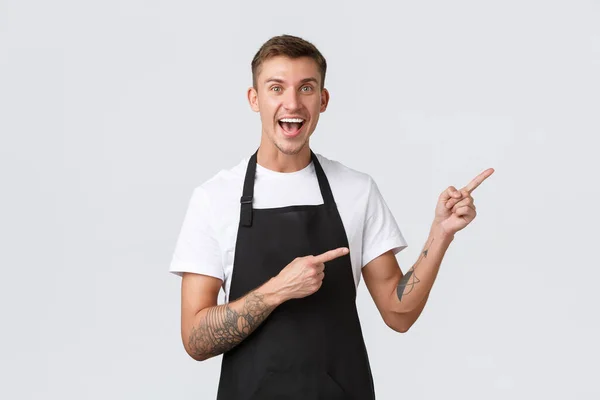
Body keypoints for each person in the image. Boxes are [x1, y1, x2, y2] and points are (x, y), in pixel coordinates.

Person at [169, 34, 494, 400]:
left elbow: (398, 313)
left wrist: (441, 234)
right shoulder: (214, 198)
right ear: (254, 99)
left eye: (306, 88)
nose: (292, 103)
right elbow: (196, 340)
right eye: (276, 87)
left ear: (322, 100)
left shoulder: (356, 190)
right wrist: (278, 290)